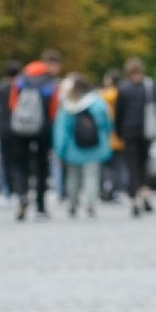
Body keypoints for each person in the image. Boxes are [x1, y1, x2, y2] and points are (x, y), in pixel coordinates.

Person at [4, 54, 58, 220]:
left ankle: (22, 197)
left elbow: (12, 104)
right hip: (43, 129)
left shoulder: (20, 80)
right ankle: (41, 206)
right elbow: (55, 107)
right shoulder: (50, 81)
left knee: (22, 165)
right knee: (42, 167)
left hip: (21, 129)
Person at [54, 72, 113, 218]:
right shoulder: (98, 103)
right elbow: (107, 124)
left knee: (73, 177)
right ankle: (91, 205)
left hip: (73, 149)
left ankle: (73, 205)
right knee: (92, 176)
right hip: (94, 147)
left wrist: (59, 150)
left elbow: (61, 131)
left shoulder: (67, 106)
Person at [114, 59, 156, 216]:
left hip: (129, 132)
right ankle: (146, 196)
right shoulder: (151, 86)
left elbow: (119, 114)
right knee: (144, 165)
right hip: (146, 131)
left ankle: (134, 202)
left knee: (132, 167)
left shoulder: (124, 89)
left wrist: (118, 133)